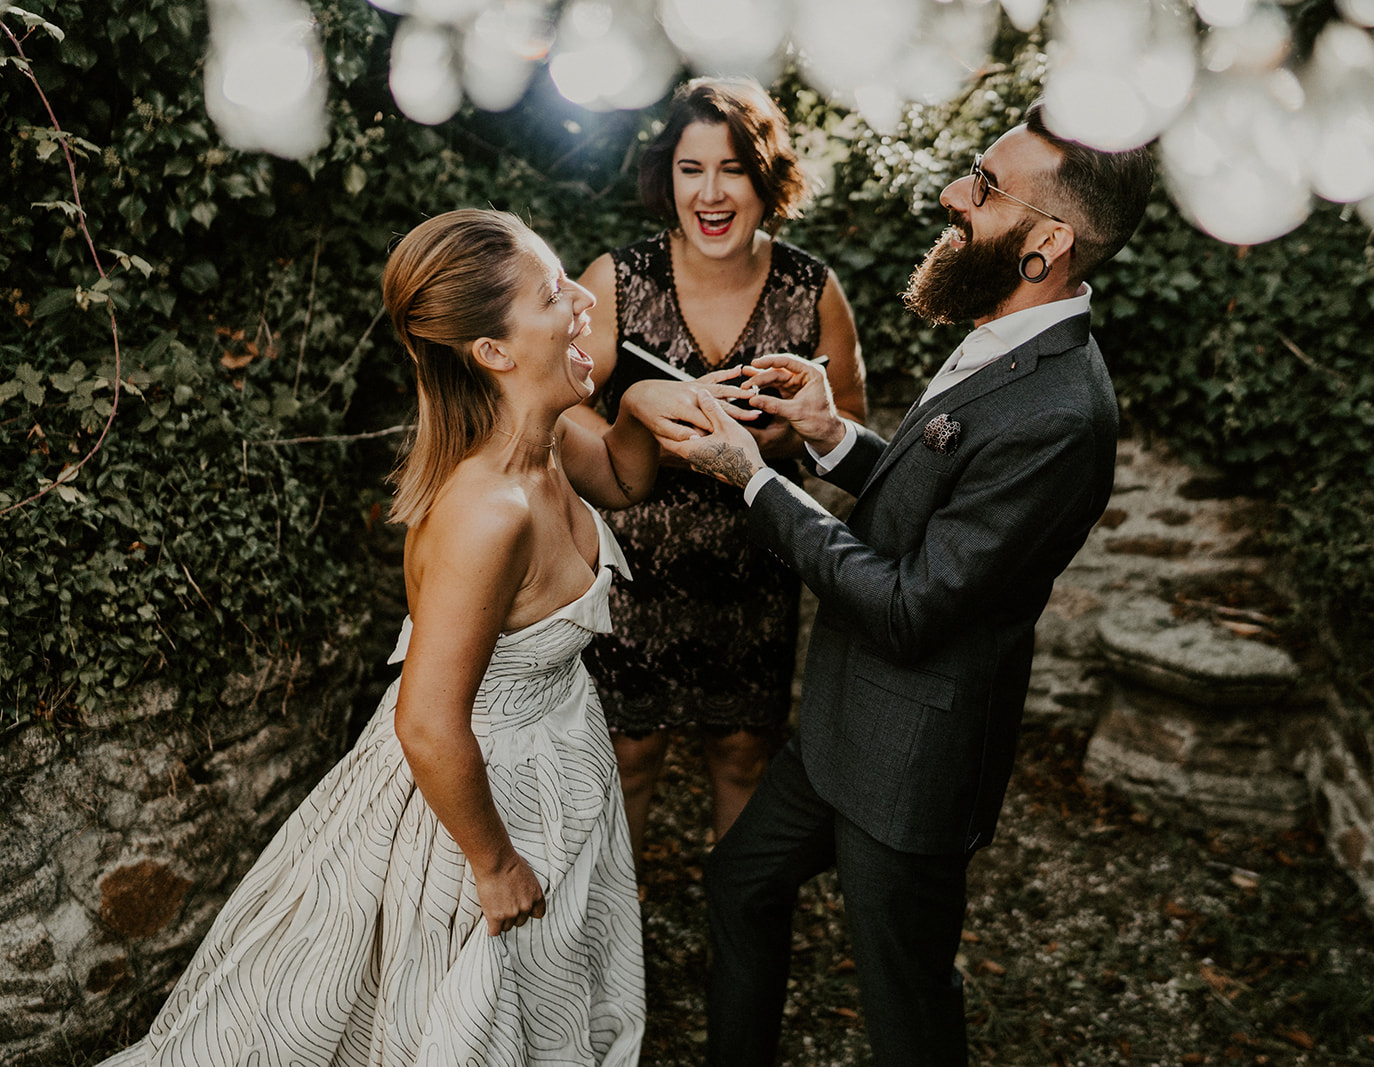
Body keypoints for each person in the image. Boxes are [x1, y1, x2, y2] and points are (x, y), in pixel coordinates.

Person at [99, 209, 702, 1066]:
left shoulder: (554, 436)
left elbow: (627, 477)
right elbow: (426, 722)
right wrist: (493, 865)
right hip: (476, 806)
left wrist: (637, 403)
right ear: (493, 352)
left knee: (545, 1012)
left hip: (560, 761)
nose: (580, 299)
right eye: (551, 292)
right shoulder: (486, 514)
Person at [653, 102, 1156, 1064]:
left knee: (907, 1011)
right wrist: (828, 431)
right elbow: (938, 496)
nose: (952, 194)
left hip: (913, 762)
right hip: (840, 725)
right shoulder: (1006, 331)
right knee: (739, 886)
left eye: (985, 186)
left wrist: (751, 478)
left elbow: (912, 605)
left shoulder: (1062, 413)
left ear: (1047, 242)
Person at [569, 77, 867, 867]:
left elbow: (848, 433)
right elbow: (556, 406)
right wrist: (629, 423)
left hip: (755, 565)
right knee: (629, 757)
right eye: (690, 168)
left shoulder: (812, 289)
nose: (710, 192)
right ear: (666, 176)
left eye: (732, 168)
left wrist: (782, 440)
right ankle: (612, 940)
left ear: (767, 178)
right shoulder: (617, 280)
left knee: (742, 754)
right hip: (635, 570)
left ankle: (737, 937)